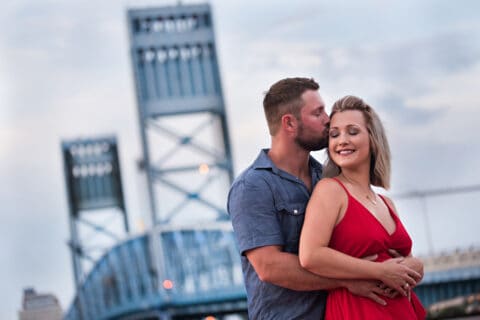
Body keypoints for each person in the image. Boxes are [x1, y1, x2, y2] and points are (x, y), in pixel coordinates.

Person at [227, 78, 423, 319]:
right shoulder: (253, 186)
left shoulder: (325, 178)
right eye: (318, 113)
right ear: (289, 123)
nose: (327, 119)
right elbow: (270, 267)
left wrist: (413, 266)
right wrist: (348, 281)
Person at [299, 95, 426, 319]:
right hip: (357, 311)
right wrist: (380, 271)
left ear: (372, 138)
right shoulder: (330, 191)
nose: (342, 140)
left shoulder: (387, 203)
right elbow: (310, 255)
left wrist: (415, 265)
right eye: (334, 134)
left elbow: (402, 260)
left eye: (353, 131)